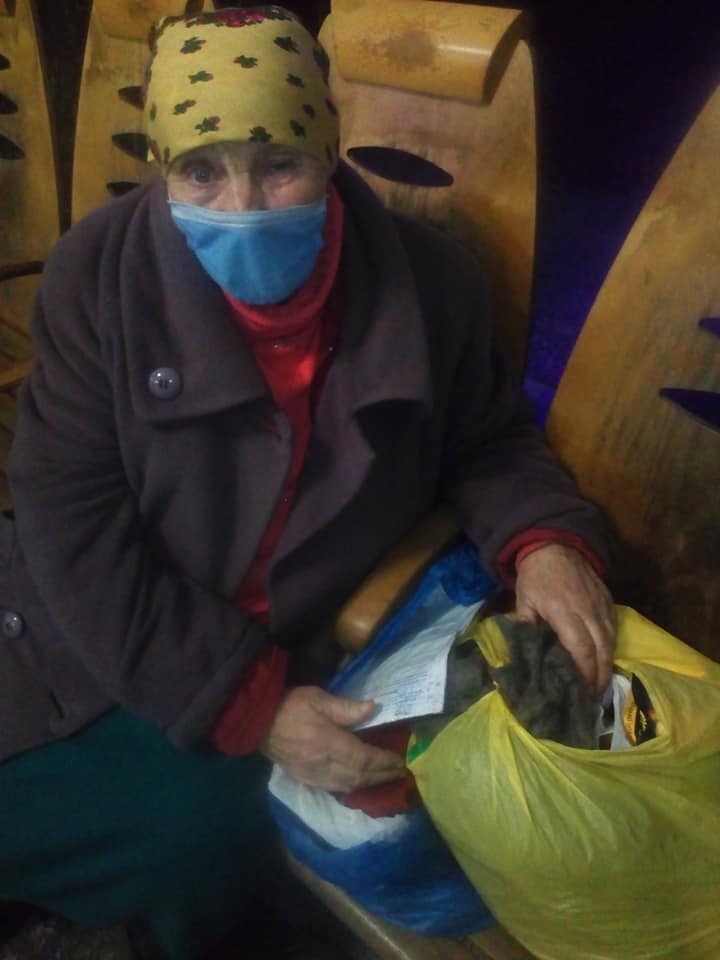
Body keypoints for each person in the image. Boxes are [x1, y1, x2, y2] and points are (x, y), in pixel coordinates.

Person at [0, 6, 615, 959]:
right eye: (202, 171)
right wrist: (247, 704)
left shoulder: (430, 285)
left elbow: (490, 441)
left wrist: (547, 543)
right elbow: (67, 512)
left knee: (200, 845)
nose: (244, 206)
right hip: (110, 621)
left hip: (295, 649)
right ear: (162, 169)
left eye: (278, 162)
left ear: (328, 153)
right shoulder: (99, 276)